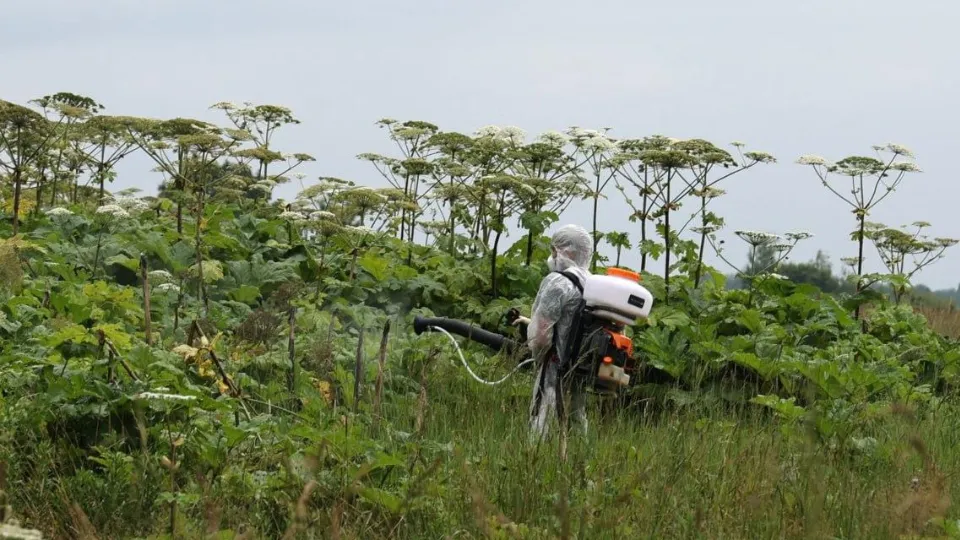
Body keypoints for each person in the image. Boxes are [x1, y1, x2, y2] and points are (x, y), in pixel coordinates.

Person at [514, 224, 593, 443]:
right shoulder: (594, 284)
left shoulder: (558, 282)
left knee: (542, 415)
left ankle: (534, 462)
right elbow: (571, 322)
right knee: (577, 415)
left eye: (554, 250)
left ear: (565, 251)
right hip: (581, 364)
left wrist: (538, 357)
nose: (552, 256)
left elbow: (540, 337)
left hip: (555, 363)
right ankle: (580, 462)